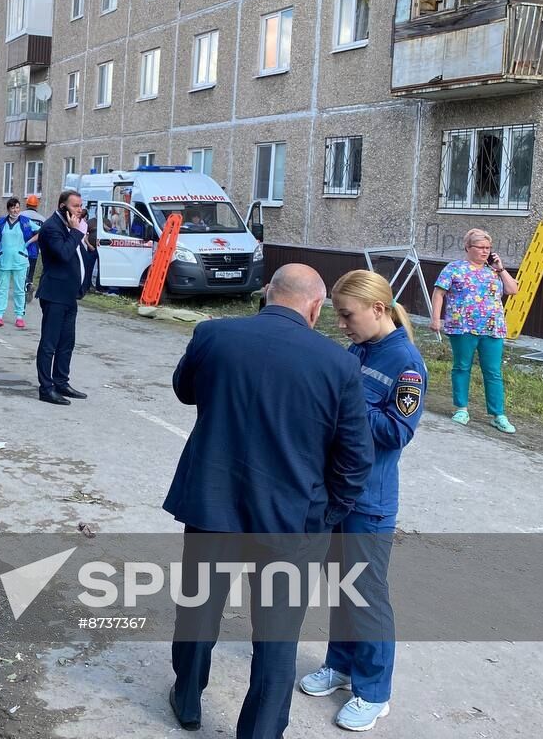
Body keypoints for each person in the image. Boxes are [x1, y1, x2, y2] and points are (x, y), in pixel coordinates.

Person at [163, 264, 373, 738]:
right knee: (277, 637)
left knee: (198, 610)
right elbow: (355, 458)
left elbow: (184, 391)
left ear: (267, 294)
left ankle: (188, 698)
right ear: (315, 306)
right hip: (293, 522)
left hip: (213, 507)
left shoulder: (214, 335)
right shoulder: (338, 364)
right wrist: (328, 513)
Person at [299, 270, 426, 732]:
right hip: (340, 492)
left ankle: (374, 692)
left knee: (367, 595)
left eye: (348, 315)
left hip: (370, 501)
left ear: (377, 309)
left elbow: (397, 431)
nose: (342, 324)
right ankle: (341, 664)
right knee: (341, 585)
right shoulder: (360, 350)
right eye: (336, 314)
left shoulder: (406, 363)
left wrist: (349, 407)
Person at [431, 228, 520, 434]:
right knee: (462, 367)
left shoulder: (493, 270)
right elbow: (439, 293)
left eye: (488, 248)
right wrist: (436, 319)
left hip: (492, 328)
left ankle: (498, 415)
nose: (485, 251)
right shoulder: (454, 269)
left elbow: (513, 290)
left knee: (493, 371)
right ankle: (461, 409)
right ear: (468, 248)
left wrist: (501, 268)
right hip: (462, 326)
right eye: (480, 247)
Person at [35, 189, 88, 405]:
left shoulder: (69, 226)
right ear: (62, 206)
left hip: (69, 294)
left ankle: (61, 381)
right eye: (75, 206)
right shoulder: (51, 227)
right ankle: (46, 388)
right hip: (54, 294)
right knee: (50, 343)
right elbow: (64, 254)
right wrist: (76, 232)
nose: (80, 210)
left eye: (80, 206)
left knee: (67, 342)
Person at [0, 197, 38, 328]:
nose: (15, 210)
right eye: (13, 207)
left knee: (20, 289)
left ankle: (19, 316)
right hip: (4, 260)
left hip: (20, 260)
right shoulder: (2, 222)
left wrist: (28, 243)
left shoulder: (25, 222)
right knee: (2, 289)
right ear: (8, 209)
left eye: (17, 207)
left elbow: (40, 232)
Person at [21, 194, 46, 303]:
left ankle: (23, 291)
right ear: (36, 206)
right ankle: (29, 284)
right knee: (30, 271)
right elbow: (44, 234)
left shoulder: (21, 215)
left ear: (27, 204)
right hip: (34, 250)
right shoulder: (41, 219)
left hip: (21, 249)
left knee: (21, 271)